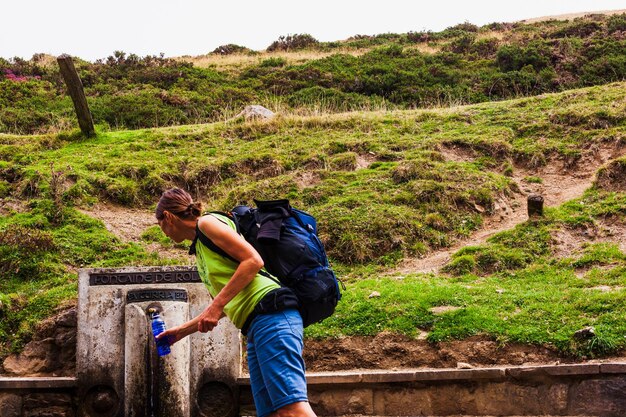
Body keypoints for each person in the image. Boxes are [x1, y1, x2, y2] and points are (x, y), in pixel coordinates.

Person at [154, 188, 317, 417]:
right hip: (256, 325)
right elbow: (220, 308)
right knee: (273, 413)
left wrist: (216, 306)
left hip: (272, 314)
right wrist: (180, 332)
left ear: (168, 217)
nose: (163, 233)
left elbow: (253, 260)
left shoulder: (207, 223)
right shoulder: (200, 247)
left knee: (292, 409)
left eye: (160, 225)